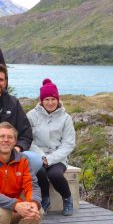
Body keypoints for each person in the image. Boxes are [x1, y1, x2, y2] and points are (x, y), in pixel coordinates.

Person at [26, 79, 76, 215]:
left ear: (58, 99)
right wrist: (41, 156)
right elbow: (28, 140)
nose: (50, 102)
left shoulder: (66, 118)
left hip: (58, 158)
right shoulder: (31, 115)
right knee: (39, 171)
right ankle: (45, 198)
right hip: (37, 155)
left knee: (55, 175)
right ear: (41, 100)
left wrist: (51, 158)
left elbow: (69, 143)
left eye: (53, 99)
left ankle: (67, 198)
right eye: (46, 99)